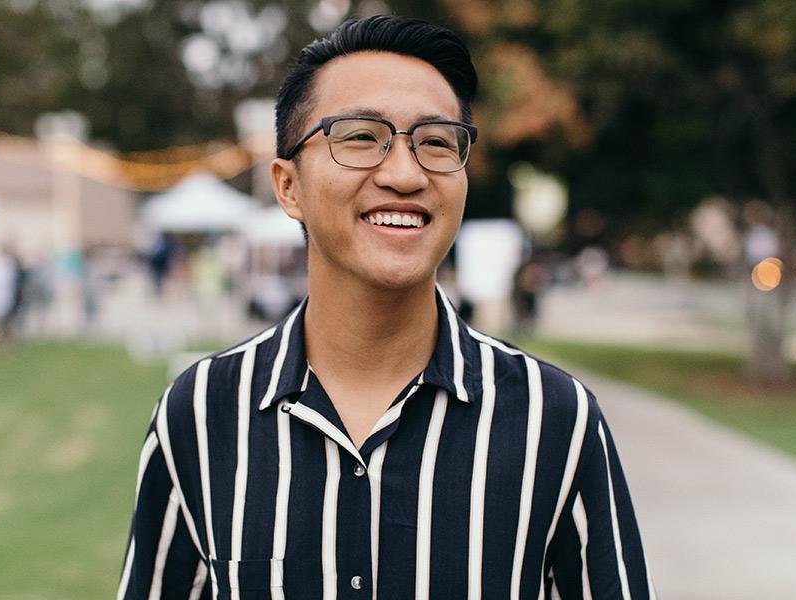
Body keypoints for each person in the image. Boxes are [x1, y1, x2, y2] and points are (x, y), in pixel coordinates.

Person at [118, 16, 653, 599]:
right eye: (360, 137)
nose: (404, 174)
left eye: (435, 143)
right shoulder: (200, 414)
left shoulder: (556, 419)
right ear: (288, 186)